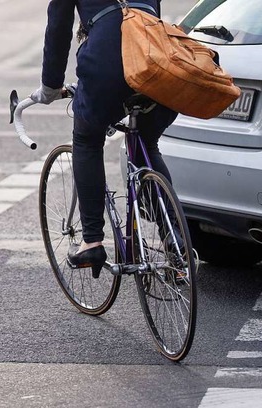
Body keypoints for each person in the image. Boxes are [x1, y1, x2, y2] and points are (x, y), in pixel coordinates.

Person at [30, 0, 178, 278]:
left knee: (87, 139)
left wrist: (49, 87)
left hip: (107, 59)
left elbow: (59, 27)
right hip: (158, 58)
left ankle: (93, 241)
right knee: (146, 144)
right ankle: (176, 241)